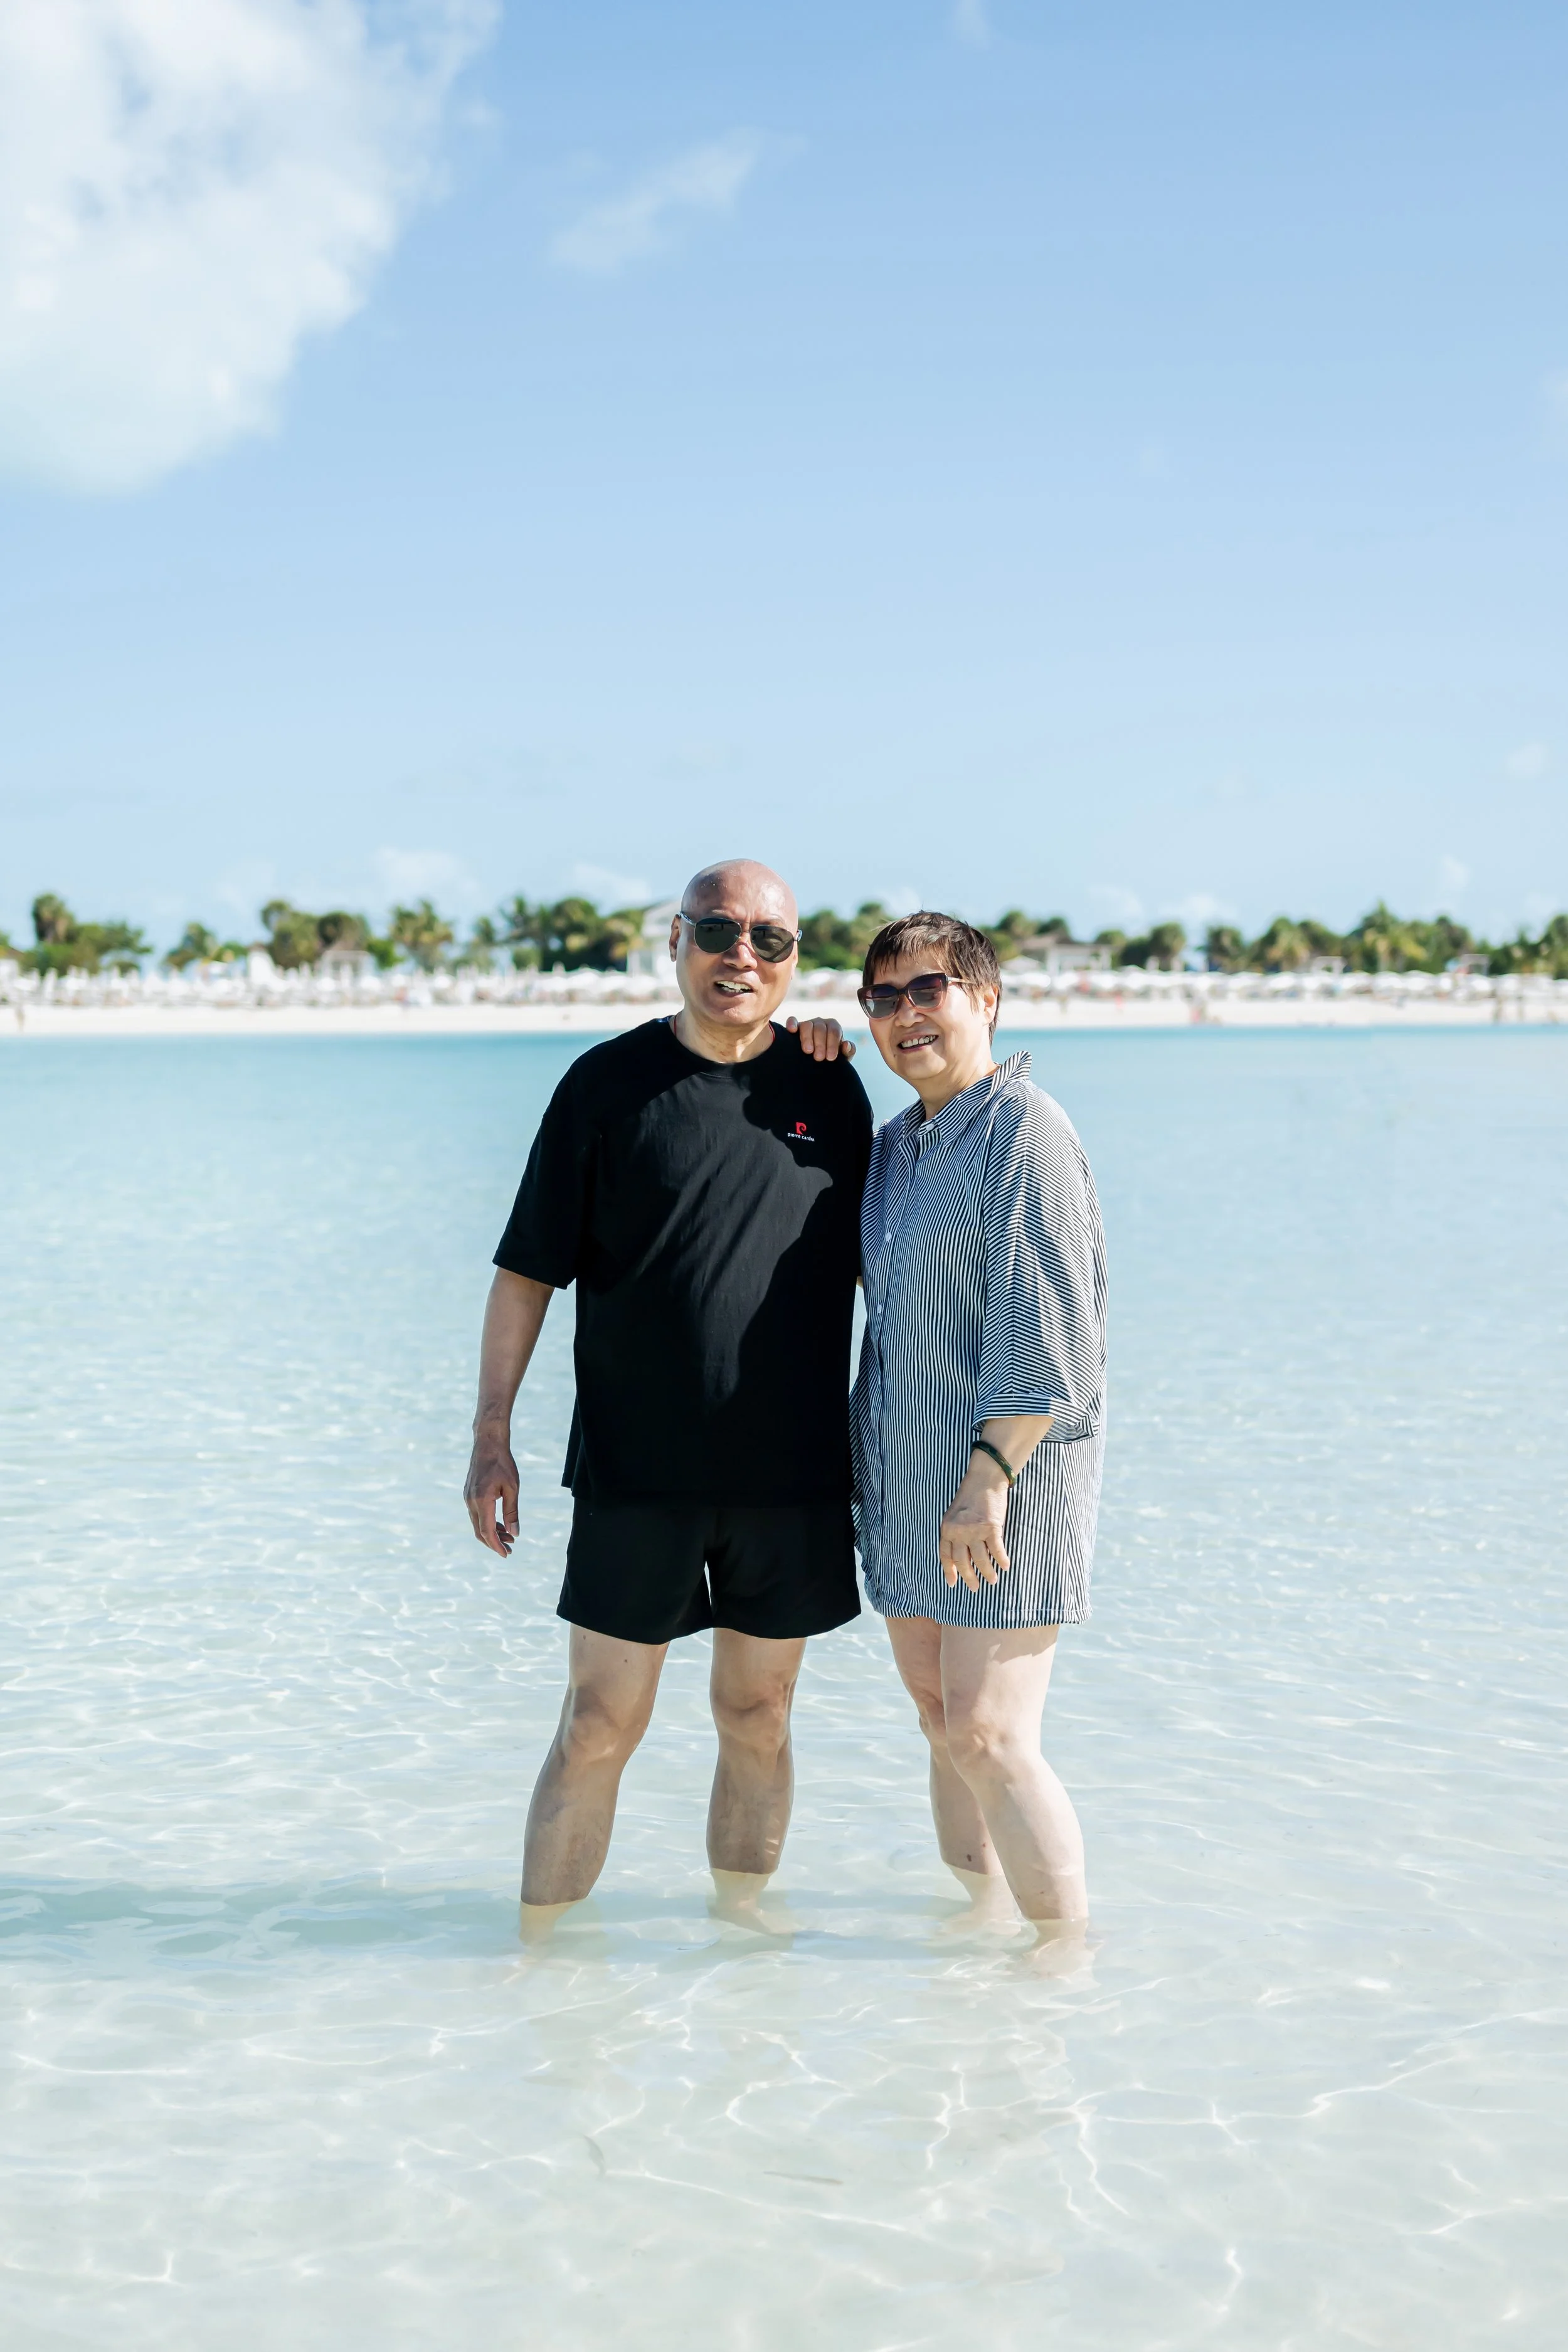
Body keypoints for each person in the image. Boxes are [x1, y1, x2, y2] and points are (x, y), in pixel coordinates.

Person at [465, 860, 872, 1936]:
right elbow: (526, 1271)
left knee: (759, 1714)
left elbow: (913, 1263)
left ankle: (744, 1958)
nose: (743, 955)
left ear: (794, 959)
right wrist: (490, 1433)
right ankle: (540, 1967)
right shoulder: (603, 1086)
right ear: (679, 941)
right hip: (635, 1475)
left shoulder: (831, 1088)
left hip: (789, 1477)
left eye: (770, 940)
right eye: (719, 931)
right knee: (597, 1723)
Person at [851, 911, 1106, 1934]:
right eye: (884, 997)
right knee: (942, 1723)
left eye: (930, 990)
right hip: (910, 1478)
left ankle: (1062, 1965)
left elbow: (1048, 1321)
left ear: (985, 998)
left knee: (995, 1734)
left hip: (1003, 1479)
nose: (907, 1013)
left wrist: (989, 1475)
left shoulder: (1025, 1127)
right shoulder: (894, 1150)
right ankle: (976, 1942)